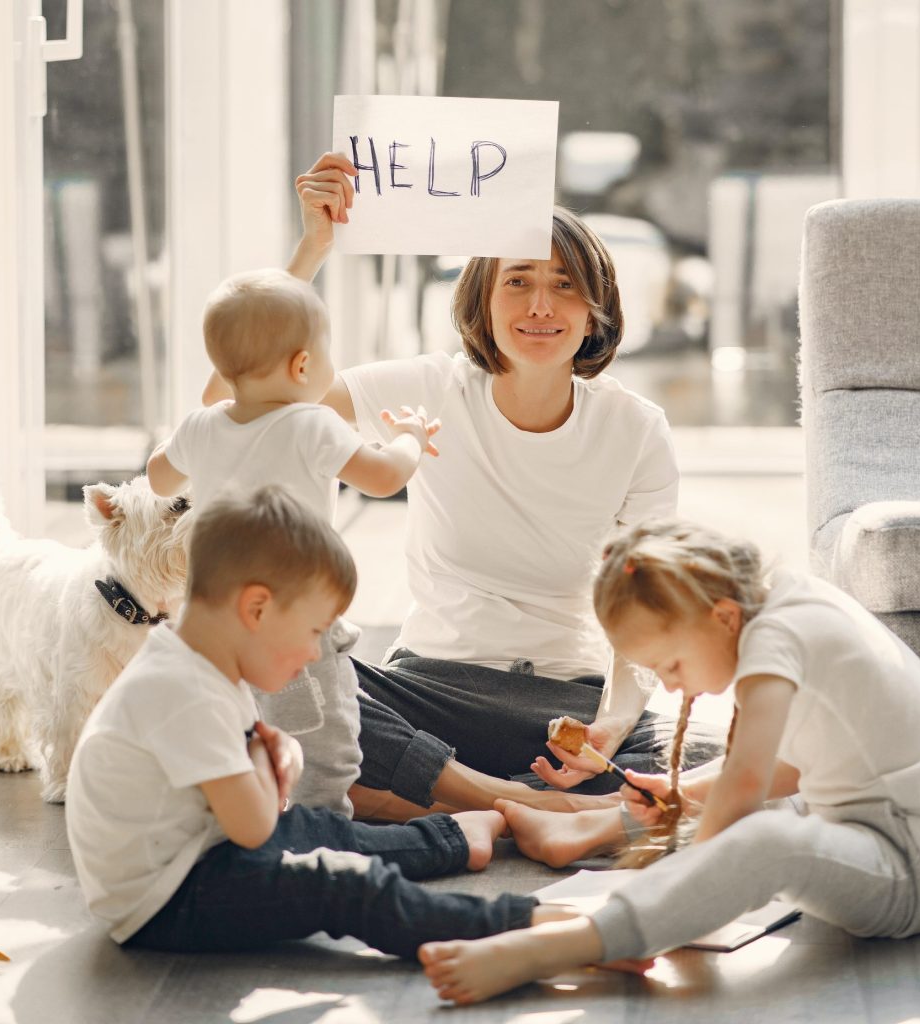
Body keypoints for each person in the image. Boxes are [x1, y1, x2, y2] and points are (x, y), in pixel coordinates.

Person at [234, 151, 722, 821]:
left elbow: (649, 611)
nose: (541, 305)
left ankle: (435, 803)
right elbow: (249, 393)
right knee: (282, 677)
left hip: (566, 709)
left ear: (595, 308)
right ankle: (515, 806)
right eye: (518, 282)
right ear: (482, 302)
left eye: (564, 285)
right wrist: (312, 249)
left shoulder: (635, 429)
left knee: (720, 760)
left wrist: (609, 727)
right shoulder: (432, 387)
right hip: (428, 691)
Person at [417, 518, 920, 1004]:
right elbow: (796, 766)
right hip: (877, 832)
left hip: (910, 867)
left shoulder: (776, 642)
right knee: (741, 804)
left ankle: (572, 944)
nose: (668, 685)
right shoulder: (787, 605)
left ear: (723, 617)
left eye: (670, 665)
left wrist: (691, 889)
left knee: (764, 838)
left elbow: (747, 783)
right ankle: (593, 841)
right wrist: (682, 796)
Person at [65, 485, 574, 958]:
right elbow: (254, 826)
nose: (314, 651)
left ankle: (452, 839)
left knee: (315, 827)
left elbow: (247, 798)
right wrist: (280, 767)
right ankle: (524, 925)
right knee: (342, 887)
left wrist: (266, 765)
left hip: (195, 852)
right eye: (312, 631)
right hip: (167, 900)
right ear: (257, 609)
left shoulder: (202, 662)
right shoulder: (183, 693)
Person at [146, 268, 440, 815]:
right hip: (295, 620)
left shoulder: (200, 426)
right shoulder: (312, 423)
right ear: (304, 365)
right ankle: (322, 826)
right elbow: (382, 478)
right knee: (323, 736)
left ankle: (245, 817)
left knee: (237, 725)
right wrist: (411, 437)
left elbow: (159, 480)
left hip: (216, 618)